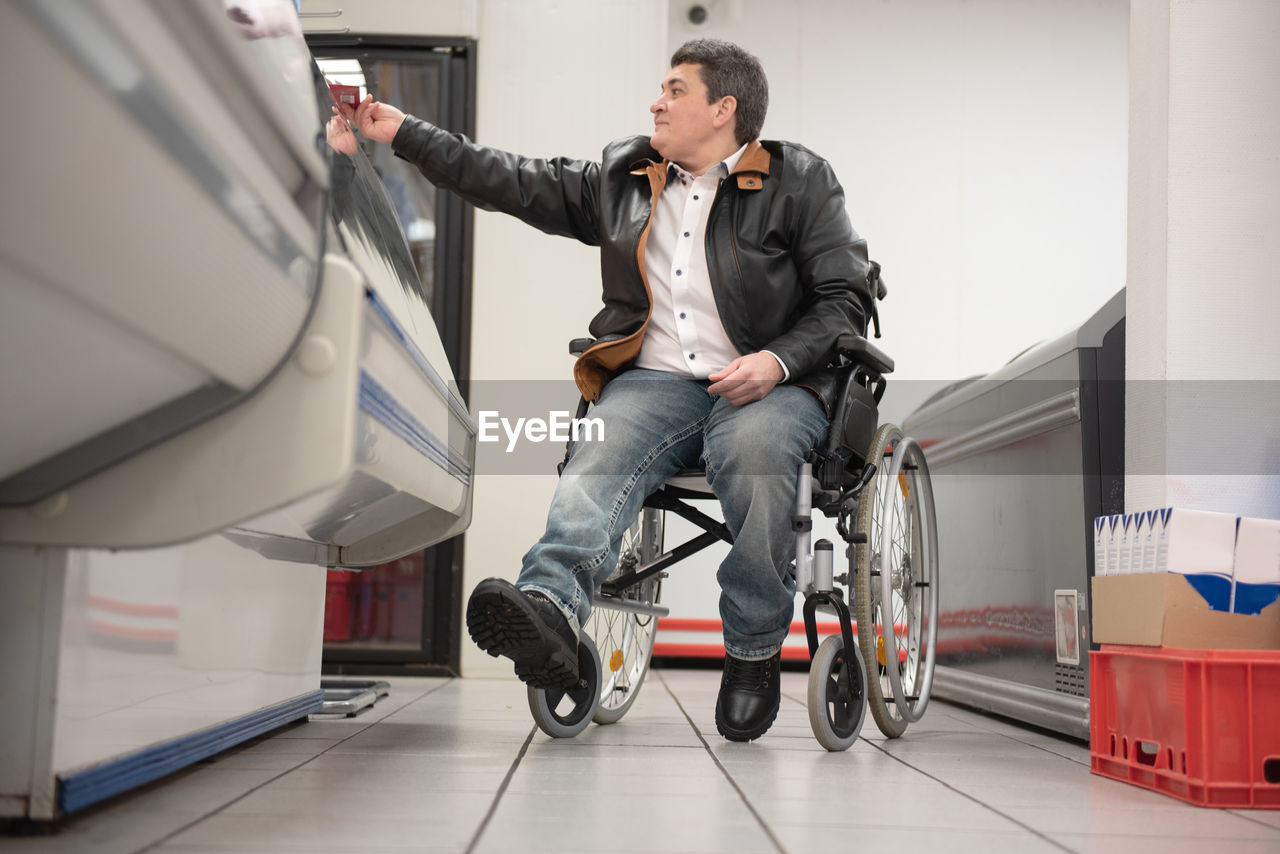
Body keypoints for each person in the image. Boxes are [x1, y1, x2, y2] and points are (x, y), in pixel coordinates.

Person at [335, 39, 873, 742]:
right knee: (596, 459)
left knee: (756, 454)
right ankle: (550, 612)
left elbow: (844, 300)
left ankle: (751, 649)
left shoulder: (800, 180)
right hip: (658, 382)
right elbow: (510, 179)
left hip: (773, 382)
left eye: (675, 90)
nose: (656, 100)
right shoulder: (628, 173)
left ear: (723, 109)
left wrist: (774, 361)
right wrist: (401, 132)